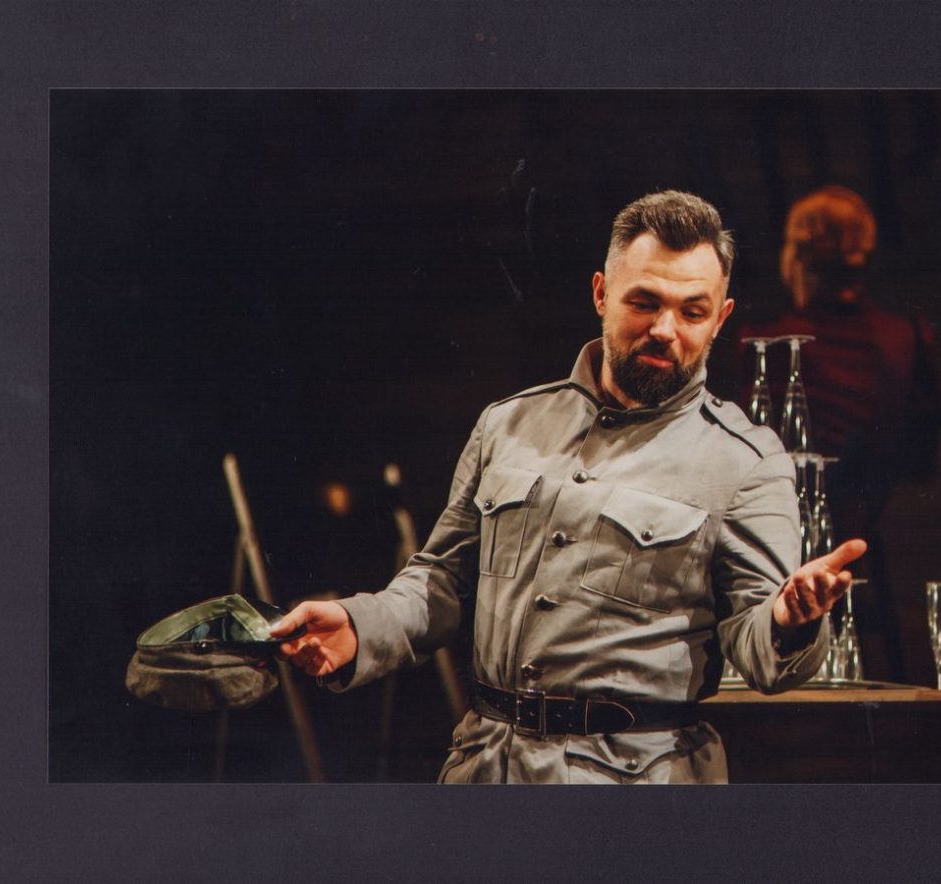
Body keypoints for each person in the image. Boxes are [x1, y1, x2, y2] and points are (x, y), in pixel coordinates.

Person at [272, 190, 867, 784]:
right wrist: (358, 625)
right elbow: (439, 583)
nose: (665, 329)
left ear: (721, 319)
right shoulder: (507, 424)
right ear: (601, 294)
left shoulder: (745, 461)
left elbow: (762, 653)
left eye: (692, 312)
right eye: (645, 303)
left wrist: (791, 621)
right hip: (486, 773)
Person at [737, 186, 941, 683]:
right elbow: (920, 457)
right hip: (869, 541)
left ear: (797, 255)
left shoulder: (763, 345)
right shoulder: (904, 338)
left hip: (781, 547)